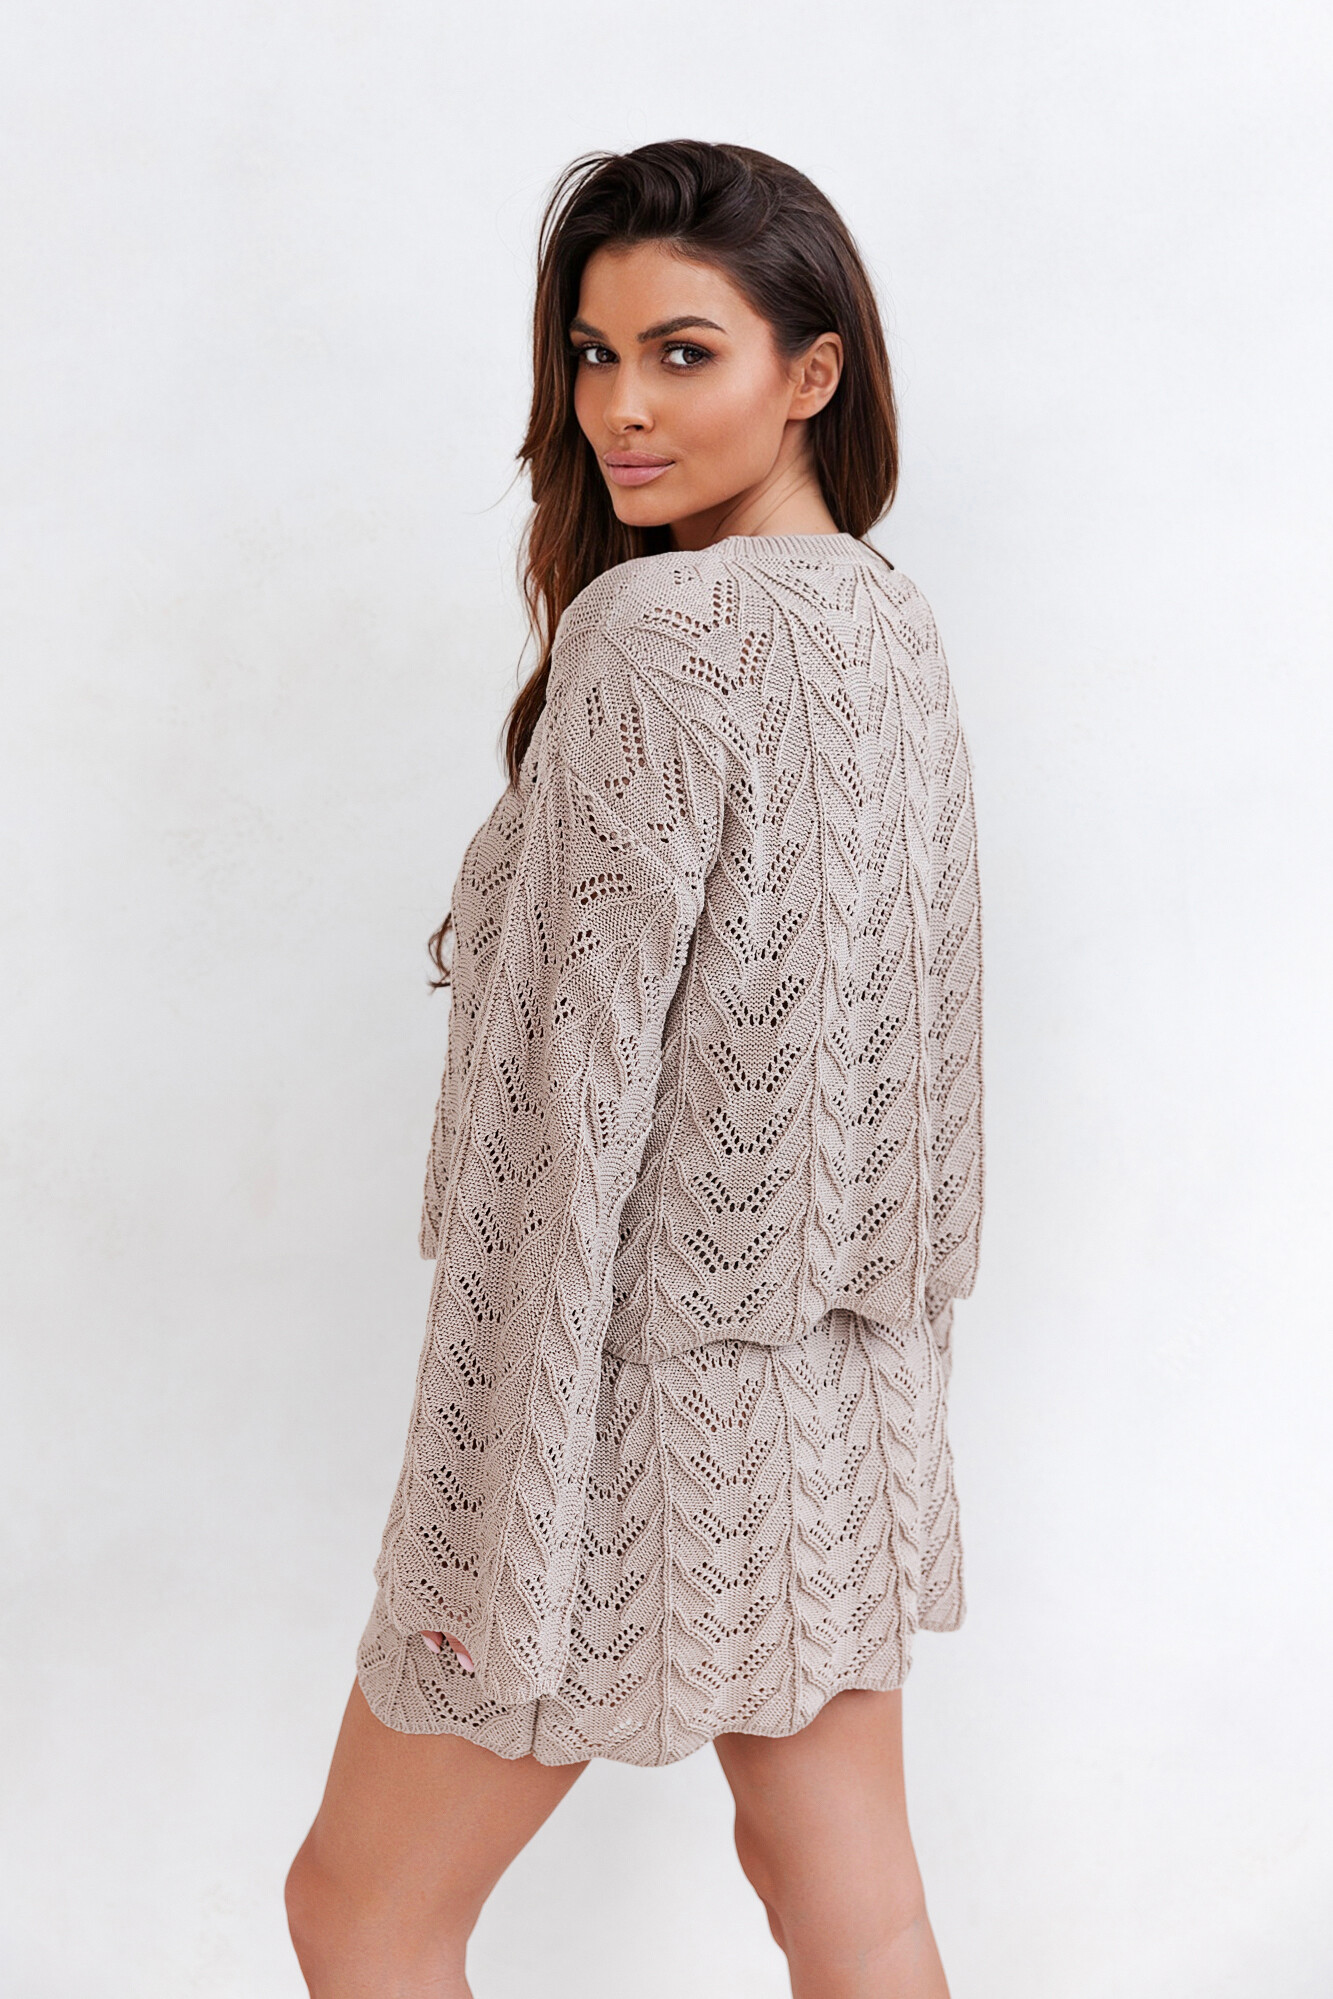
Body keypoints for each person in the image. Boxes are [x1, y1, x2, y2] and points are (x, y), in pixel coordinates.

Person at [286, 138, 984, 1999]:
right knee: (851, 1907)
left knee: (362, 1909)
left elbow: (562, 1120)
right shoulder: (883, 619)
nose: (619, 407)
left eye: (684, 354)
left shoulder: (661, 639)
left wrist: (485, 1504)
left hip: (605, 1425)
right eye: (593, 356)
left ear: (811, 373)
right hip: (826, 1403)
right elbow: (902, 1079)